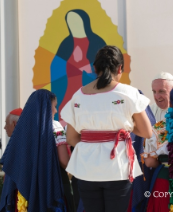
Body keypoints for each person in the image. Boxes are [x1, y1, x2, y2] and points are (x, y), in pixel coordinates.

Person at [61, 45, 152, 212]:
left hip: (87, 168)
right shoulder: (128, 93)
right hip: (117, 167)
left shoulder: (78, 95)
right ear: (120, 68)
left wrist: (94, 139)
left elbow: (71, 138)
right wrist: (124, 128)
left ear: (95, 68)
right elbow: (147, 131)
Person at [0, 89, 66, 211]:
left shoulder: (20, 131)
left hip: (22, 190)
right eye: (54, 106)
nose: (56, 111)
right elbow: (64, 160)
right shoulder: (55, 126)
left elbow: (11, 165)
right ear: (45, 107)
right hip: (47, 187)